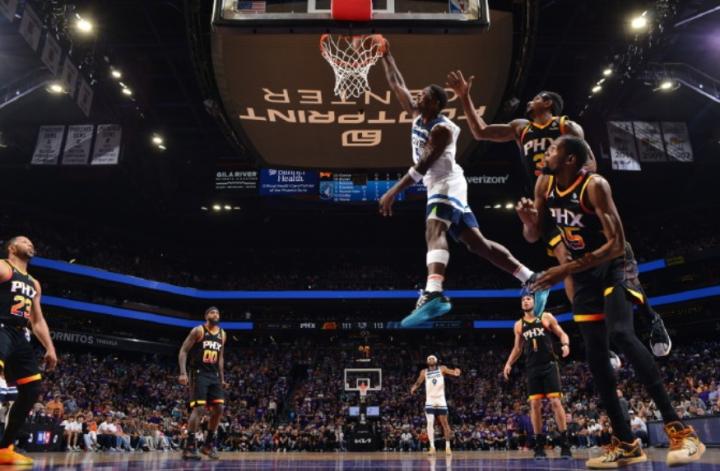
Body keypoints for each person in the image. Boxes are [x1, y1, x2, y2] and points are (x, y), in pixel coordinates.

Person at [446, 72, 671, 357]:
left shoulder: (566, 126)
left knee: (617, 261)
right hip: (547, 203)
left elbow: (590, 163)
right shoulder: (521, 128)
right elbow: (481, 132)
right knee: (567, 265)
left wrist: (568, 186)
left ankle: (651, 317)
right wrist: (465, 97)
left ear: (549, 103)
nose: (530, 101)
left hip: (574, 200)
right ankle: (598, 339)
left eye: (536, 98)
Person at [517, 135, 705, 468]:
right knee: (595, 355)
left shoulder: (594, 186)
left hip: (614, 264)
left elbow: (617, 244)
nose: (546, 152)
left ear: (571, 159)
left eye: (554, 149)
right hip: (583, 271)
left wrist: (565, 269)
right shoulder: (544, 184)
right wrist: (529, 222)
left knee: (620, 333)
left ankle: (682, 432)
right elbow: (534, 236)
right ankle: (626, 442)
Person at [377, 40, 549, 327]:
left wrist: (393, 192)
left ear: (435, 103)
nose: (417, 96)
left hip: (447, 183)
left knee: (434, 227)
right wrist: (386, 54)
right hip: (440, 185)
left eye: (423, 95)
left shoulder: (442, 129)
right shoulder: (418, 114)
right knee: (478, 245)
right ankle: (532, 278)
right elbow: (397, 85)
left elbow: (423, 166)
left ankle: (434, 292)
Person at [0, 236, 58, 465]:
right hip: (1, 327)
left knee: (32, 389)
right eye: (25, 241)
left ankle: (4, 448)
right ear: (12, 247)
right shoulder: (3, 267)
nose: (30, 244)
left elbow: (37, 320)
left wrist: (50, 347)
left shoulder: (34, 283)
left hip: (19, 335)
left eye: (32, 242)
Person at [503, 295, 572, 459]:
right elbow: (517, 348)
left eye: (528, 299)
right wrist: (508, 363)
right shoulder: (519, 324)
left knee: (555, 402)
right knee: (534, 404)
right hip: (532, 367)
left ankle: (565, 443)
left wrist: (565, 344)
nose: (525, 301)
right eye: (523, 300)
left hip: (549, 365)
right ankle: (539, 445)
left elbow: (562, 334)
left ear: (535, 302)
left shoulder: (546, 316)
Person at [178, 307, 227, 460]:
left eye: (217, 313)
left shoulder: (222, 334)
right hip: (198, 373)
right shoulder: (198, 330)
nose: (215, 315)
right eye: (212, 312)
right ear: (206, 316)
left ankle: (208, 445)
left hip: (214, 375)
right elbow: (183, 351)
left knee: (219, 408)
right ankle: (189, 447)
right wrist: (183, 373)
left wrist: (222, 378)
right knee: (199, 409)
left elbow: (220, 358)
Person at [410, 355, 461, 455]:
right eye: (429, 359)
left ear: (436, 360)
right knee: (430, 423)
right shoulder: (424, 372)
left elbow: (453, 372)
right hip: (430, 400)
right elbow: (418, 382)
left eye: (432, 358)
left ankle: (448, 447)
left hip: (440, 399)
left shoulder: (442, 368)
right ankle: (432, 447)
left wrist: (457, 372)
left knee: (445, 424)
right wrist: (413, 388)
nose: (431, 360)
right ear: (427, 361)